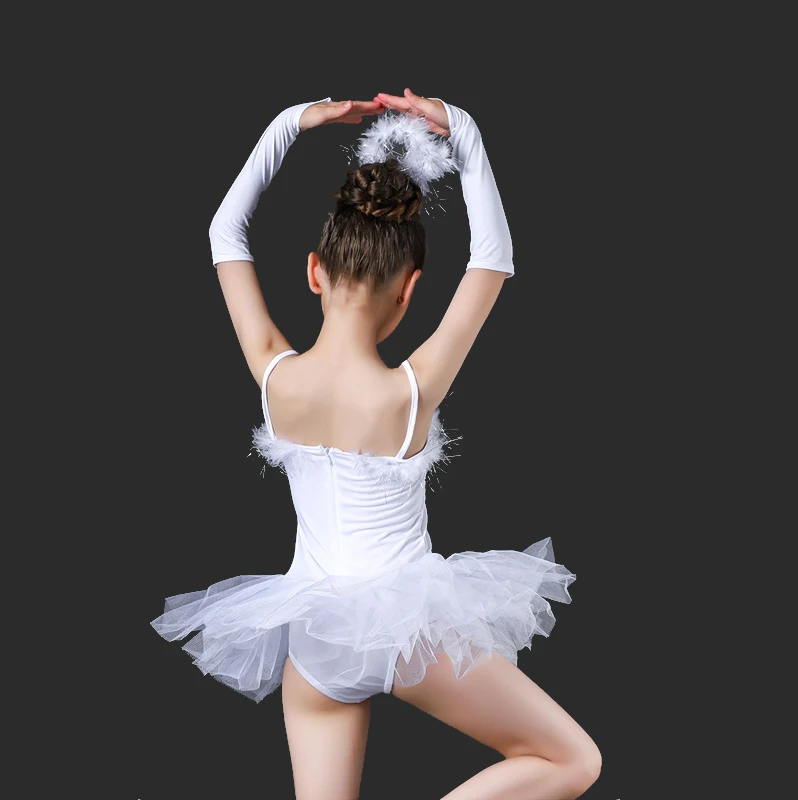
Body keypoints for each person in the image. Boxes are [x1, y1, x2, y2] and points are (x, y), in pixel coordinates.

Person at [152, 89, 601, 799]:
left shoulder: (274, 376)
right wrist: (464, 131)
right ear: (411, 289)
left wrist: (289, 124)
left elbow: (224, 232)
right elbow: (493, 258)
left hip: (315, 641)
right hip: (406, 632)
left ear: (313, 271)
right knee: (572, 761)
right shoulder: (408, 394)